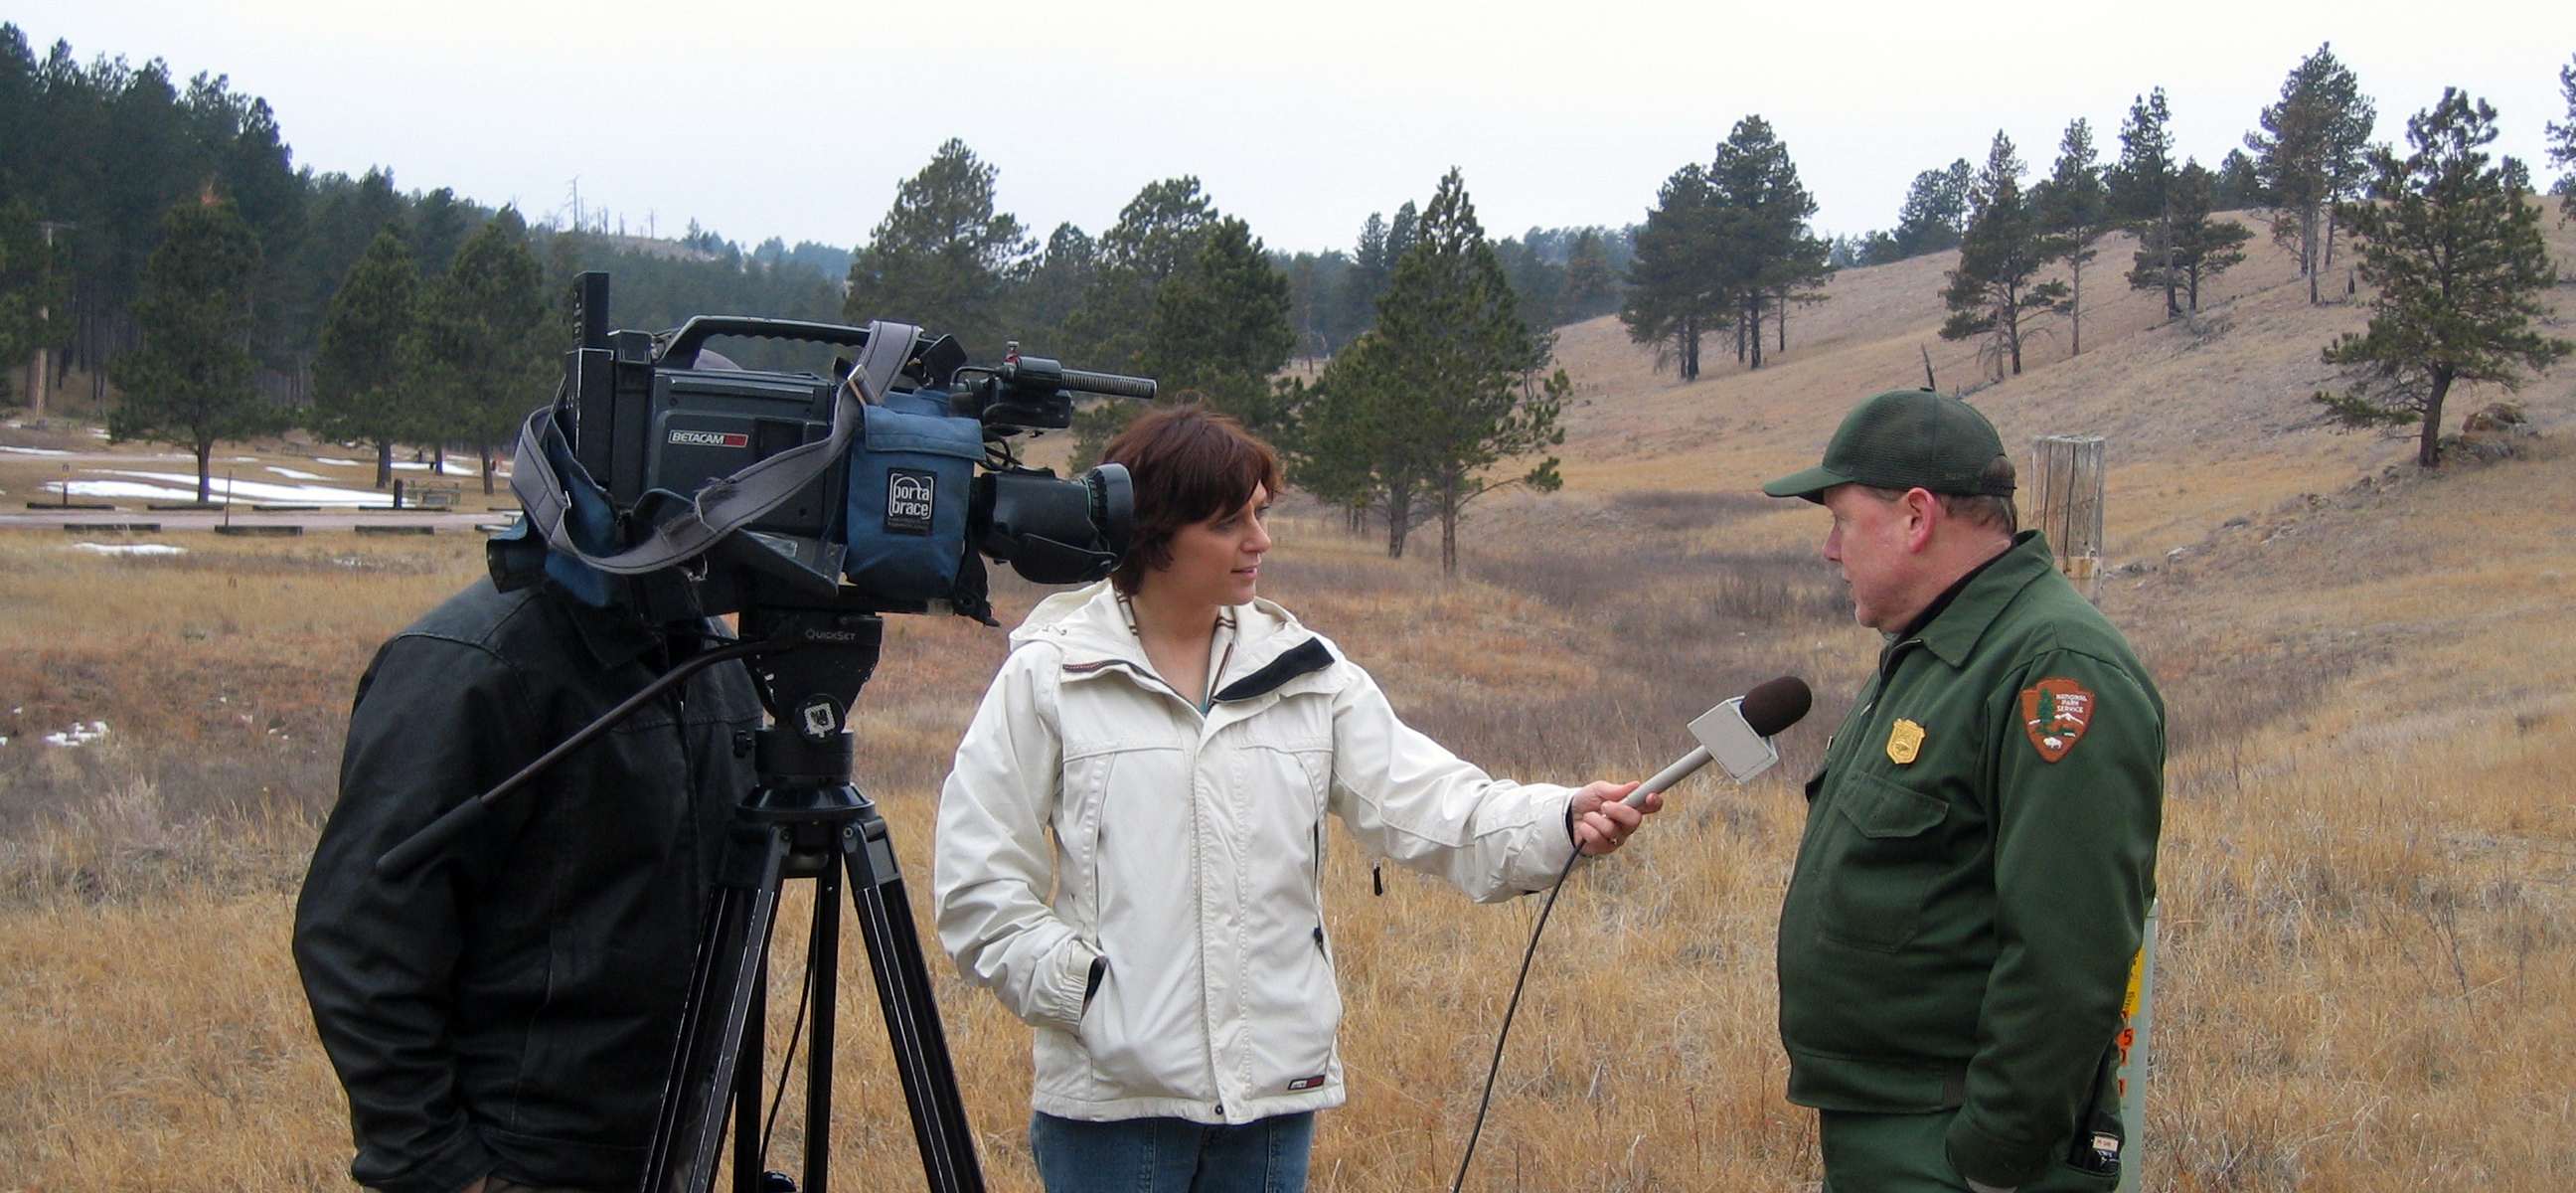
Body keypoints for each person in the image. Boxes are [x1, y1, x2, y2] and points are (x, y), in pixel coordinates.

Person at [933, 406, 1654, 1193]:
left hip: (1273, 1106)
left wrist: (1558, 817)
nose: (1260, 541)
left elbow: (1437, 804)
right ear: (1153, 530)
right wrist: (1091, 1001)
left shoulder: (1306, 672)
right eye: (1228, 521)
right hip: (1112, 1115)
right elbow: (978, 882)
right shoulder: (1052, 674)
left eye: (1261, 513)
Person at [1758, 388, 2164, 1193]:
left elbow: (2069, 953)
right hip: (1895, 1127)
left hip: (1954, 1150)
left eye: (1841, 520)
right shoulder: (1939, 650)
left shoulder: (2054, 668)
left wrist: (1993, 1160)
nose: (1830, 551)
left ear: (1916, 517)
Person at [292, 548, 763, 1193]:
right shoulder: (472, 664)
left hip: (670, 1145)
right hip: (520, 1159)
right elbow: (358, 942)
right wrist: (443, 1168)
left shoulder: (707, 652)